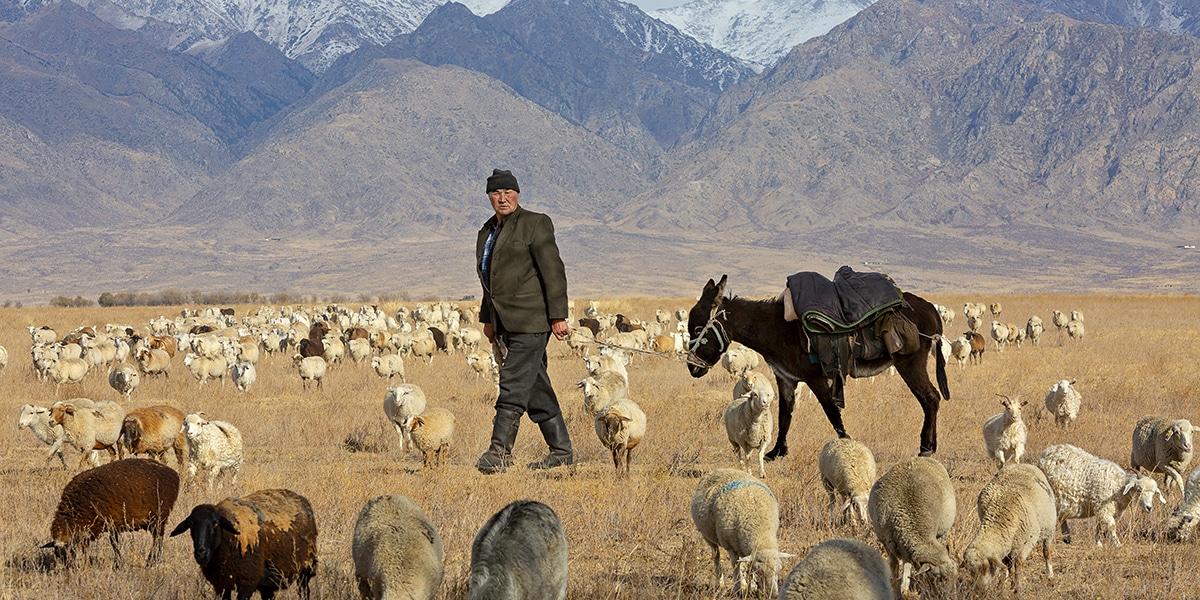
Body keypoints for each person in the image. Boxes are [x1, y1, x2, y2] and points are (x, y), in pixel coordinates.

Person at [474, 168, 573, 474]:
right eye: (496, 193)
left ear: (517, 194)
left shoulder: (535, 223)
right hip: (504, 322)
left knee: (514, 383)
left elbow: (553, 271)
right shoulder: (487, 231)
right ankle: (561, 452)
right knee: (535, 387)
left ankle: (499, 452)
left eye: (507, 192)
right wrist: (488, 319)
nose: (502, 198)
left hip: (532, 320)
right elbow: (489, 280)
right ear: (489, 196)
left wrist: (558, 316)